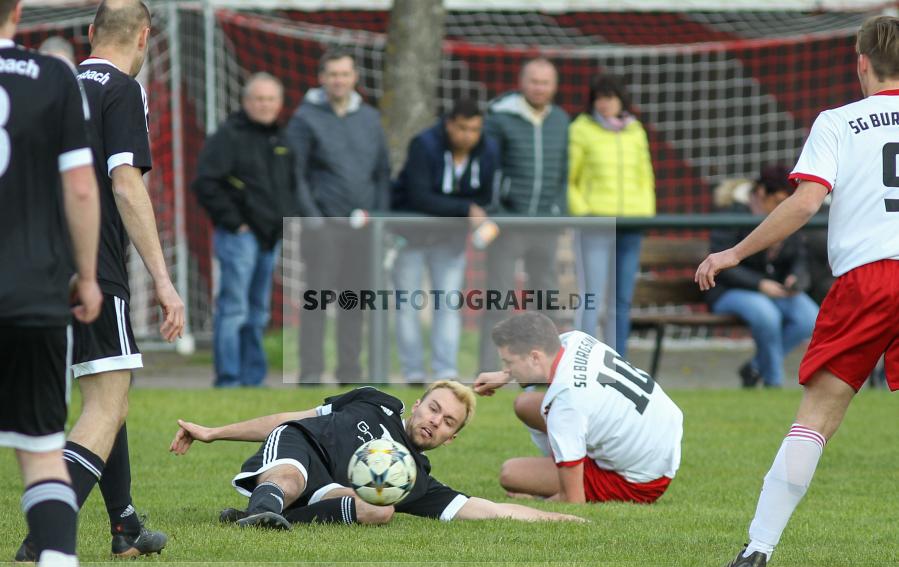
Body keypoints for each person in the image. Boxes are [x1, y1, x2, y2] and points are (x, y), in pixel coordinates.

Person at [696, 15, 899, 567]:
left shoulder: (838, 121)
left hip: (867, 280)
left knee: (817, 416)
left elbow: (806, 203)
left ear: (861, 62)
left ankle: (758, 548)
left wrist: (733, 254)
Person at [17, 0, 186, 563]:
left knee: (108, 394)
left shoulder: (56, 83)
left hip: (32, 264)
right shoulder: (122, 88)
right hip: (94, 266)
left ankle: (125, 525)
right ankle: (41, 539)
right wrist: (163, 280)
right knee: (105, 406)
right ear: (144, 38)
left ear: (90, 32)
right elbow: (124, 184)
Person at [169, 381, 585, 526]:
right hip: (299, 447)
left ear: (450, 439)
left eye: (448, 423)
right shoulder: (375, 403)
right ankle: (267, 505)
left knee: (380, 511)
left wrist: (562, 517)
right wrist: (213, 433)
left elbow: (489, 509)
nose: (435, 422)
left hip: (331, 490)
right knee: (289, 479)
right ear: (417, 404)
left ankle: (256, 517)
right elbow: (288, 416)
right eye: (434, 409)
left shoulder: (416, 480)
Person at [1, 2, 101, 567]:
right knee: (41, 452)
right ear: (18, 9)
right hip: (35, 293)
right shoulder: (56, 76)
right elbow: (81, 186)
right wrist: (85, 275)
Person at [473, 313, 682, 505]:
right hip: (659, 436)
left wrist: (539, 500)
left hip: (641, 481)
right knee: (524, 404)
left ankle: (564, 468)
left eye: (509, 362)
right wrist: (505, 375)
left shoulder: (566, 405)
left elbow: (574, 503)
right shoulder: (576, 339)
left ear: (534, 357)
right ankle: (563, 463)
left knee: (511, 474)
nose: (507, 367)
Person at [286, 48, 391, 384]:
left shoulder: (370, 118)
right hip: (323, 229)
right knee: (316, 302)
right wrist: (313, 219)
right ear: (322, 78)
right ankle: (311, 374)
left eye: (345, 74)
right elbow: (295, 174)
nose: (339, 80)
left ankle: (350, 373)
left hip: (363, 230)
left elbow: (382, 173)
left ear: (355, 77)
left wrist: (379, 217)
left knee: (354, 303)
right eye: (333, 74)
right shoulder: (305, 118)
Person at [193, 73, 296, 388]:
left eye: (271, 99)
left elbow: (287, 188)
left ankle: (254, 379)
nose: (265, 105)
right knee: (234, 309)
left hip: (269, 238)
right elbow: (205, 183)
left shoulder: (281, 139)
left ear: (279, 104)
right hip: (239, 237)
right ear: (246, 101)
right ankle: (228, 379)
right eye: (259, 99)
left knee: (258, 313)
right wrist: (235, 222)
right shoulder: (228, 136)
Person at [391, 98, 500, 383]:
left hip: (450, 240)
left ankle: (445, 372)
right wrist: (464, 208)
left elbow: (486, 196)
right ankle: (413, 372)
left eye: (474, 129)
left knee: (448, 306)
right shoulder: (423, 145)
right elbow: (419, 196)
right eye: (462, 128)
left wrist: (466, 209)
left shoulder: (487, 149)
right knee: (407, 306)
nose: (468, 136)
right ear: (449, 123)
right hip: (410, 237)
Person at [478, 57, 570, 373]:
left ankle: (547, 370)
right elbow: (488, 168)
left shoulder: (560, 120)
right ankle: (491, 368)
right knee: (499, 299)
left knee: (547, 301)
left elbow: (563, 171)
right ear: (522, 82)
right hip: (509, 224)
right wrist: (498, 211)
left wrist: (559, 210)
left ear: (554, 86)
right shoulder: (500, 117)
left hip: (546, 224)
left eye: (545, 82)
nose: (539, 88)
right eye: (534, 81)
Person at [705, 166, 819, 388]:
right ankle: (774, 383)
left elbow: (799, 258)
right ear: (760, 193)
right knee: (766, 315)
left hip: (774, 292)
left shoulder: (789, 216)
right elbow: (721, 266)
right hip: (728, 292)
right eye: (776, 201)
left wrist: (795, 278)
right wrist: (759, 284)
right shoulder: (732, 214)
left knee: (809, 318)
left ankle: (756, 367)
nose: (781, 207)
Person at [569, 74, 656, 358]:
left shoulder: (635, 131)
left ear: (621, 100)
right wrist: (584, 213)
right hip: (596, 224)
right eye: (600, 98)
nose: (605, 104)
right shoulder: (581, 129)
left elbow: (645, 176)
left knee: (621, 300)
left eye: (610, 97)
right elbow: (570, 178)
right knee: (591, 296)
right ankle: (583, 361)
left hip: (631, 224)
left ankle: (618, 363)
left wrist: (645, 213)